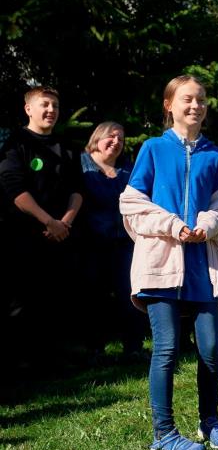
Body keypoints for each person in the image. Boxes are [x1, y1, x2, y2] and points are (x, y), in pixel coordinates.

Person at [119, 75, 218, 450]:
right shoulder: (153, 149)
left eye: (201, 100)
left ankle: (210, 421)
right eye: (187, 99)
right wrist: (174, 226)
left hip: (202, 265)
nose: (196, 106)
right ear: (169, 104)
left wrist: (206, 225)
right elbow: (132, 205)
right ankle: (163, 435)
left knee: (212, 347)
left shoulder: (214, 154)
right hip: (160, 261)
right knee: (166, 349)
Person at [0, 86, 83, 370]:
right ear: (28, 109)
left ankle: (56, 361)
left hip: (62, 236)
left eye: (55, 106)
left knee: (58, 299)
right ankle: (22, 363)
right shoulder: (16, 144)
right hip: (25, 236)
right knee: (23, 301)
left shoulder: (67, 146)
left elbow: (77, 189)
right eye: (45, 105)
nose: (51, 111)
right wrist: (48, 221)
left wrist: (65, 223)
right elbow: (14, 189)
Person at [81, 121, 146, 360]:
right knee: (93, 298)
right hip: (92, 242)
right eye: (111, 136)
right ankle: (94, 350)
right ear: (97, 138)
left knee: (130, 294)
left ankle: (134, 348)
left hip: (125, 243)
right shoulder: (81, 166)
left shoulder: (128, 170)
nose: (116, 142)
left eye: (121, 139)